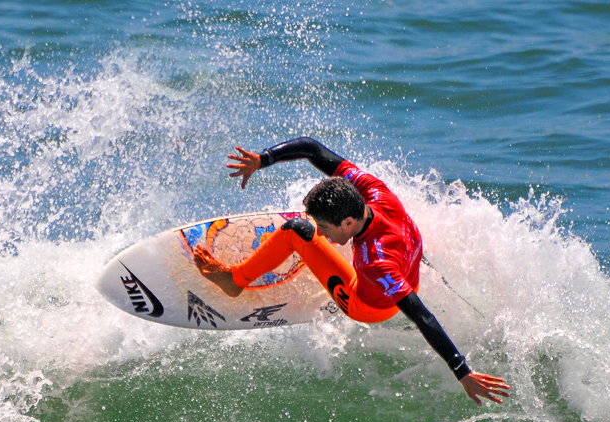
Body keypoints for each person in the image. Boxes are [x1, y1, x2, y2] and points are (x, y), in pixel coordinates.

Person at [193, 137, 510, 405]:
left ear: (348, 222)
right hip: (406, 267)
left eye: (327, 229)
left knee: (294, 230)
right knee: (309, 228)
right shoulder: (373, 191)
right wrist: (263, 159)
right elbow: (312, 148)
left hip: (367, 304)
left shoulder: (375, 261)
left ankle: (235, 281)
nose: (325, 234)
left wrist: (462, 371)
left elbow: (420, 315)